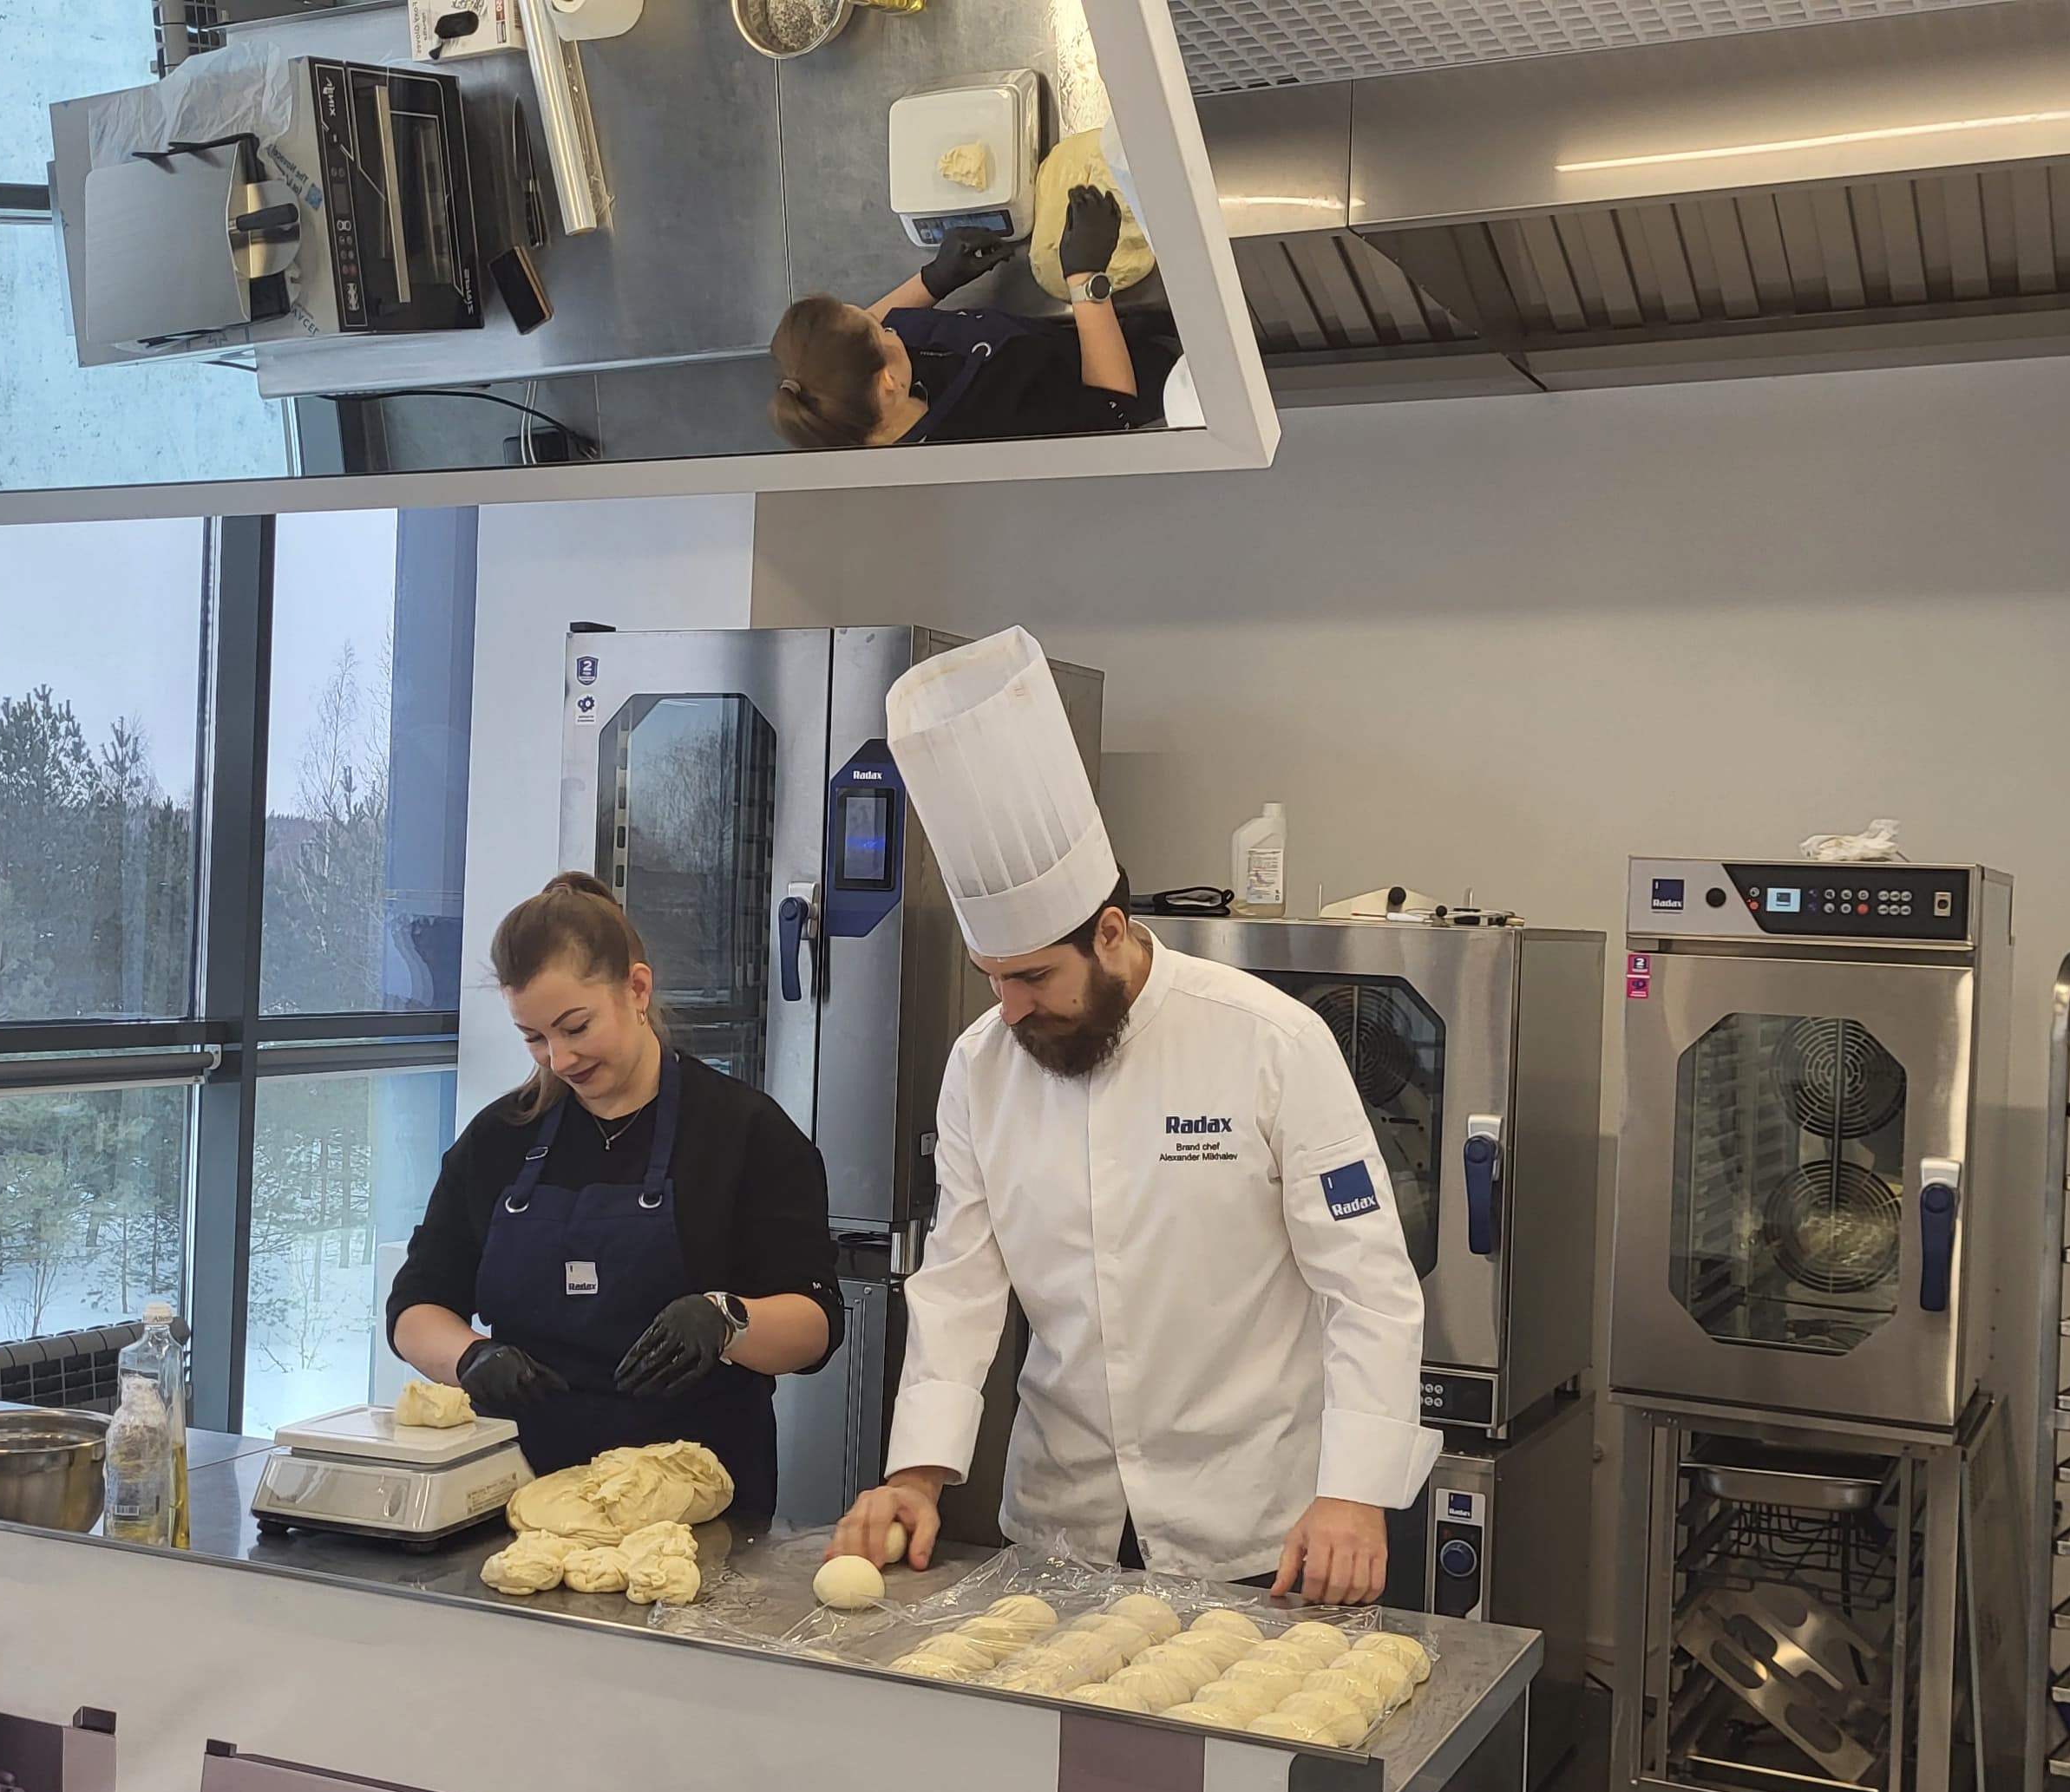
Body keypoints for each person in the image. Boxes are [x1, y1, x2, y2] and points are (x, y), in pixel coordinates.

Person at [826, 630, 1437, 1602]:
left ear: (1110, 933)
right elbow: (960, 1286)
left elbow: (1367, 1287)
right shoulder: (982, 1066)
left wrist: (1355, 1492)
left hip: (1257, 1527)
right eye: (993, 979)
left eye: (1034, 978)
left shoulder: (1270, 1042)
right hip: (1060, 1526)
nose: (1010, 1009)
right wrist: (917, 1473)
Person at [386, 873, 840, 1524]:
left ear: (637, 989)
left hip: (695, 1508)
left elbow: (815, 1324)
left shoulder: (745, 1132)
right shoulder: (499, 1139)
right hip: (518, 1498)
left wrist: (726, 1319)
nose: (559, 1059)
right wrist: (470, 1357)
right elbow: (415, 1307)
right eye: (534, 1037)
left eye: (576, 1027)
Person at [768, 186, 1180, 448]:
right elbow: (1113, 415)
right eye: (880, 328)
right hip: (1136, 380)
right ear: (889, 383)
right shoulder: (989, 433)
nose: (884, 318)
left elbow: (856, 344)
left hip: (1059, 346)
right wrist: (1087, 280)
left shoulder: (840, 400)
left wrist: (932, 280)